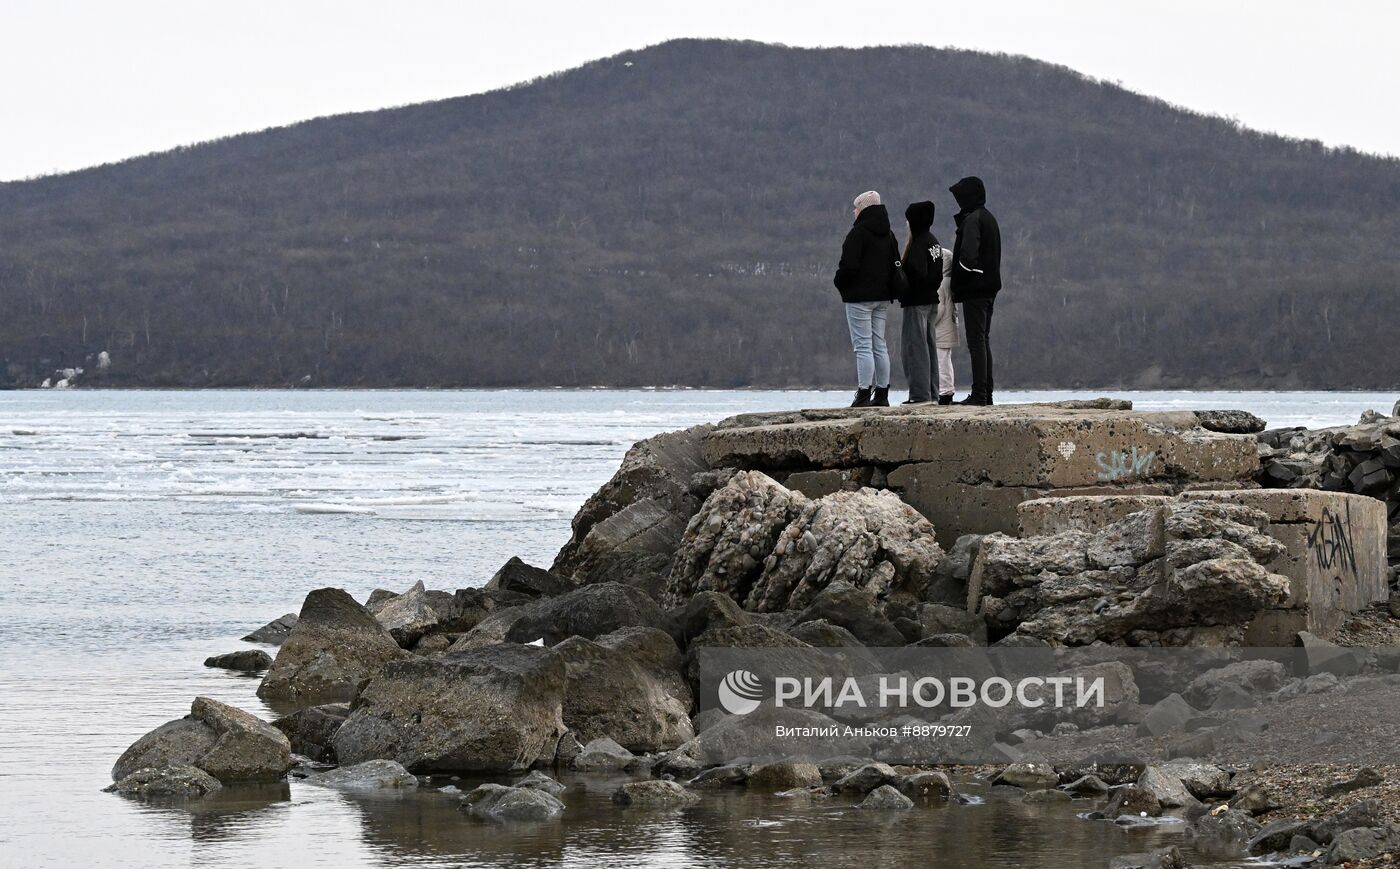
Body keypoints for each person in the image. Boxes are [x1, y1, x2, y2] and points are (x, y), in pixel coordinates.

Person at [833, 190, 901, 408]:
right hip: (882, 297)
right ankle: (882, 393)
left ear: (863, 209)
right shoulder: (889, 235)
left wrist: (840, 282)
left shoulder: (858, 234)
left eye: (856, 207)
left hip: (859, 299)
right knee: (879, 345)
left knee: (862, 346)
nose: (854, 211)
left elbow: (848, 267)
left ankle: (863, 393)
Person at [948, 176, 1001, 406]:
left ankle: (979, 394)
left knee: (976, 341)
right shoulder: (988, 218)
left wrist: (958, 278)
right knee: (983, 340)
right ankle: (986, 393)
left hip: (975, 290)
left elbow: (967, 257)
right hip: (989, 288)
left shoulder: (972, 220)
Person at [897, 201, 942, 404]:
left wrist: (902, 282)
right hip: (932, 300)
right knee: (929, 347)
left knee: (915, 348)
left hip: (916, 302)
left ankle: (919, 395)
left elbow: (917, 273)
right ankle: (932, 393)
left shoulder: (918, 243)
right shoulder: (934, 242)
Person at [932, 240, 960, 404]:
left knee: (940, 362)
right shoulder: (950, 282)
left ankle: (944, 392)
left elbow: (938, 309)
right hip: (949, 328)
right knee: (946, 361)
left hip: (940, 331)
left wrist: (928, 322)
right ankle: (947, 391)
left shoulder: (940, 284)